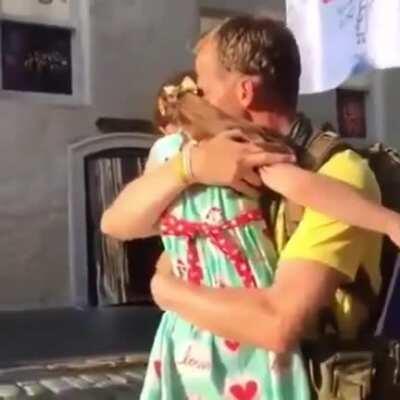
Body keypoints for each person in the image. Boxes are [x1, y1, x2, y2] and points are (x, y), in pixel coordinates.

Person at [101, 16, 387, 398]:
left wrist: (166, 290)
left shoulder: (334, 172)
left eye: (203, 89)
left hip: (293, 376)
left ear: (245, 92)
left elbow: (276, 326)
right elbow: (118, 222)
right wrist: (188, 169)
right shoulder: (207, 158)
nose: (196, 100)